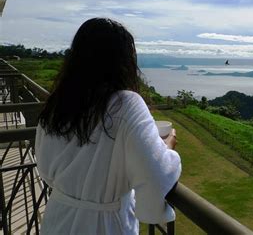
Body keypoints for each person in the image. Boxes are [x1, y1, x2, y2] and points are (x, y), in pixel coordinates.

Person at [35, 18, 181, 234]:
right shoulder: (125, 103)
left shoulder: (58, 105)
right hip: (105, 225)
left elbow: (46, 170)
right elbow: (155, 174)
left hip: (58, 217)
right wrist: (167, 148)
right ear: (122, 61)